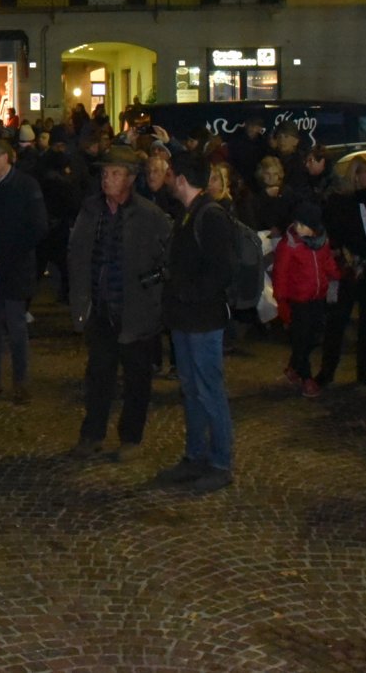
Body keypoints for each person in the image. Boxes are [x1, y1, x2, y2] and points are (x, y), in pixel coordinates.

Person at [65, 145, 171, 460]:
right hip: (101, 309)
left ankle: (131, 437)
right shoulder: (91, 211)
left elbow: (167, 260)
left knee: (137, 379)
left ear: (131, 179)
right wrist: (80, 301)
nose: (106, 179)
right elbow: (78, 256)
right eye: (104, 173)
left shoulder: (150, 216)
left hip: (136, 313)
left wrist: (151, 291)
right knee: (98, 375)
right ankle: (92, 434)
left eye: (114, 173)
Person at [156, 152, 238, 493]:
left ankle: (220, 461)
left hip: (203, 319)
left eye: (172, 174)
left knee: (208, 389)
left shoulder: (210, 216)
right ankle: (196, 455)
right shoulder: (189, 214)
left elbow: (222, 271)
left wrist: (189, 293)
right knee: (192, 389)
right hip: (185, 318)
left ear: (182, 179)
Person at [0, 139, 49, 404]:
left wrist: (12, 251)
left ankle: (21, 382)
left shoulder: (26, 186)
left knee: (16, 327)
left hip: (16, 268)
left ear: (5, 157)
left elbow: (38, 226)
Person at [318, 154, 366, 389]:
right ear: (356, 176)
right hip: (350, 267)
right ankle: (327, 370)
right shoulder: (340, 202)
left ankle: (364, 369)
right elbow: (335, 234)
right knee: (338, 320)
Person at [273, 200, 341, 398]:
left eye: (303, 225)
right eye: (297, 223)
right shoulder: (289, 246)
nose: (298, 228)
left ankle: (294, 366)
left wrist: (337, 274)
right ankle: (306, 377)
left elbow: (326, 262)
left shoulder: (321, 243)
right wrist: (282, 301)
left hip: (317, 297)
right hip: (298, 300)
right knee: (301, 338)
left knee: (314, 336)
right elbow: (281, 274)